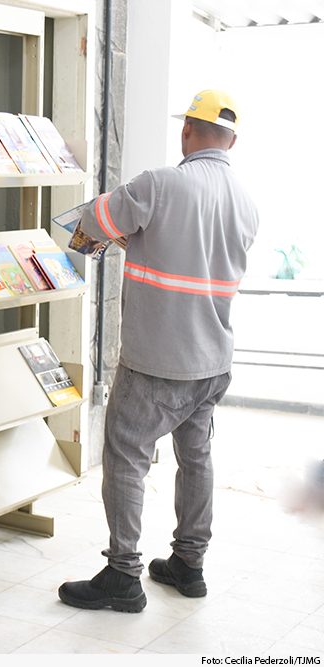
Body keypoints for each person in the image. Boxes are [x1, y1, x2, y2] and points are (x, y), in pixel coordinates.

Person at [58, 90, 259, 612]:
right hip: (214, 360)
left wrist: (124, 235)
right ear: (232, 140)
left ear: (187, 131)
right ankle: (189, 565)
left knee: (126, 453)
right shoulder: (246, 200)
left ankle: (123, 575)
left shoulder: (160, 184)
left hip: (158, 359)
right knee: (196, 458)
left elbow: (87, 231)